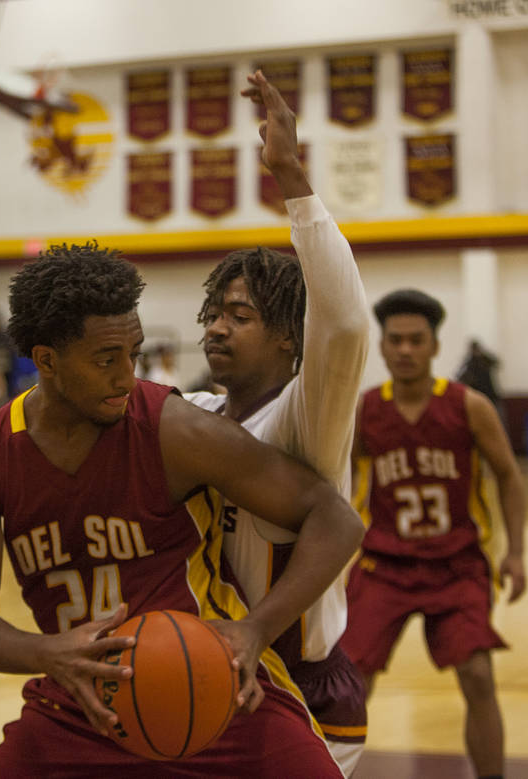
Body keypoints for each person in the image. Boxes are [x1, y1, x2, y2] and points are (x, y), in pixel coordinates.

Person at [0, 239, 366, 777]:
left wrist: (256, 629)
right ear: (46, 360)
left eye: (133, 354)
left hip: (212, 686)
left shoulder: (173, 428)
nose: (126, 375)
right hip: (79, 704)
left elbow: (334, 518)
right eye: (105, 359)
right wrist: (46, 653)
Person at [183, 71, 370, 775]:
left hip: (302, 684)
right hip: (215, 673)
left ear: (290, 339)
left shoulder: (303, 418)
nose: (216, 329)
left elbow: (346, 323)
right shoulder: (192, 417)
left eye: (241, 316)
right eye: (213, 314)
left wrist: (292, 177)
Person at [341, 288, 528, 779]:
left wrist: (516, 554)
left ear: (434, 347)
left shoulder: (469, 407)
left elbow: (509, 474)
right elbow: (331, 484)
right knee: (351, 681)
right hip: (384, 564)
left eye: (416, 340)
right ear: (380, 346)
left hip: (457, 564)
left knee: (478, 675)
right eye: (395, 340)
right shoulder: (363, 411)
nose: (405, 350)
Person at [457, 339, 502, 413]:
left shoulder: (485, 359)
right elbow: (460, 376)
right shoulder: (469, 363)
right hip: (477, 396)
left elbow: (496, 363)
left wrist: (484, 355)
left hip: (490, 395)